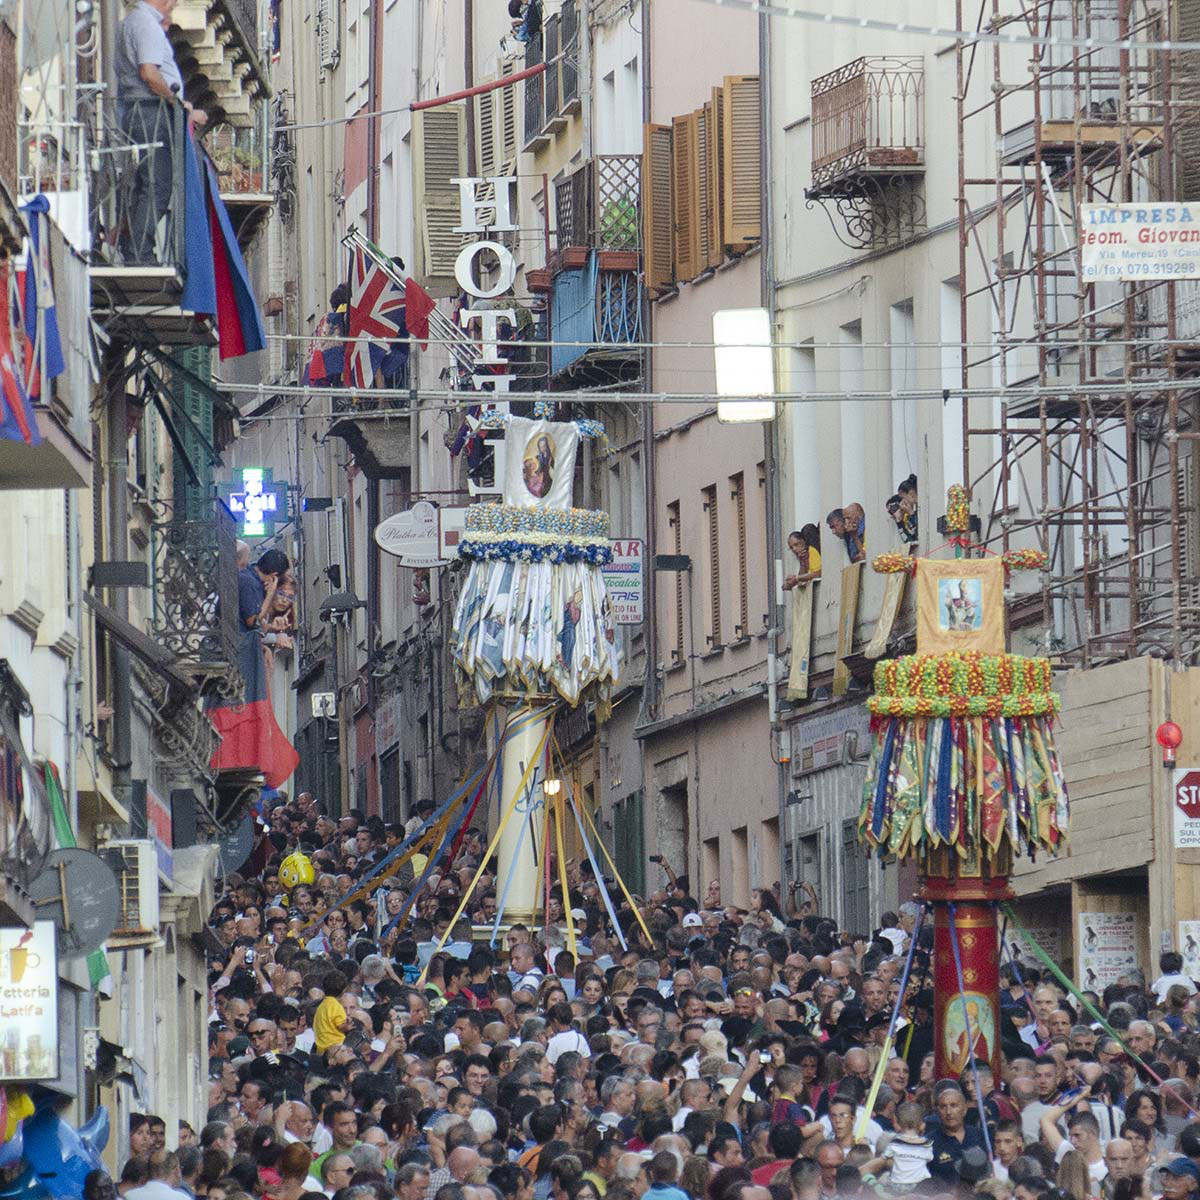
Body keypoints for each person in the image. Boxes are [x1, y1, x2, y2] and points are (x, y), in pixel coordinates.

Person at [115, 0, 206, 263]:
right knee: (158, 184)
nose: (175, 4)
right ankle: (140, 252)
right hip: (150, 112)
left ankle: (137, 248)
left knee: (148, 183)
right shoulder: (144, 23)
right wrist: (178, 103)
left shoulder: (135, 21)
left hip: (141, 111)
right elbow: (149, 72)